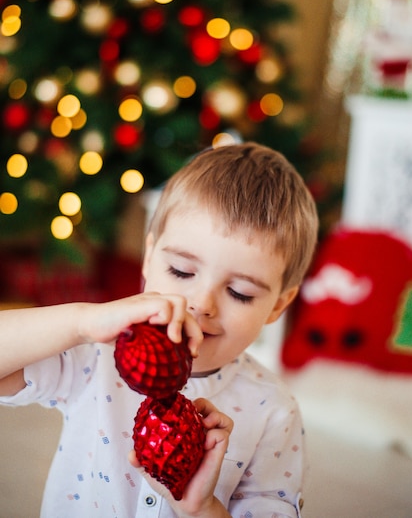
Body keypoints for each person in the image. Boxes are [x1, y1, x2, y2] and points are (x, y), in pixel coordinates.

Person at [0, 141, 318, 518]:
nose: (202, 303)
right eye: (182, 272)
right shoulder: (96, 357)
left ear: (278, 305)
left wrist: (202, 508)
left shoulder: (274, 412)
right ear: (149, 259)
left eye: (239, 292)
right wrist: (83, 322)